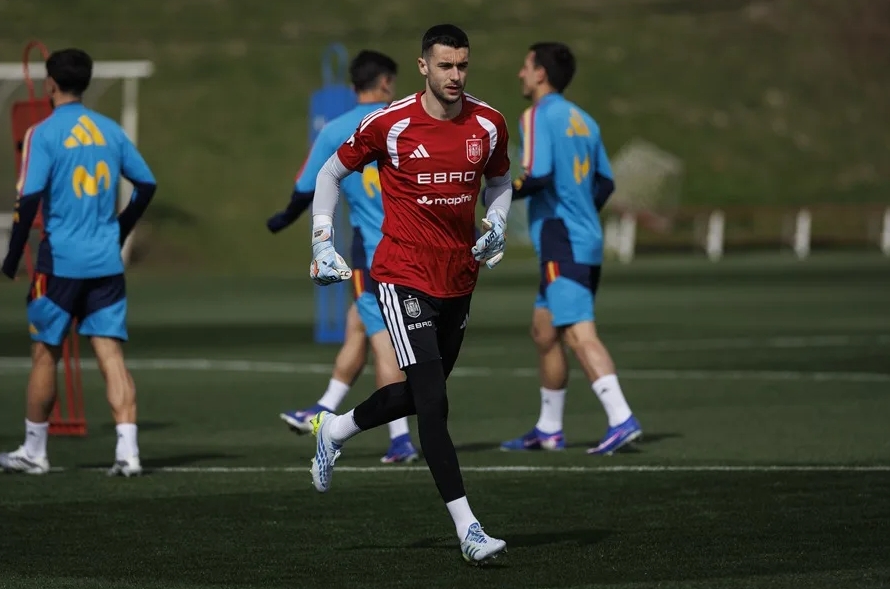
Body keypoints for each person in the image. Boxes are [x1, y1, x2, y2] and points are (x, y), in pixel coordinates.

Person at [305, 24, 512, 564]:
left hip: (459, 276)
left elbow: (500, 182)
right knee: (434, 404)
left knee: (424, 392)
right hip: (401, 273)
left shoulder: (488, 123)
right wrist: (322, 241)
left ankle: (336, 430)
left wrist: (497, 223)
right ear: (423, 66)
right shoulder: (389, 123)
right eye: (445, 65)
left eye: (462, 65)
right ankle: (469, 530)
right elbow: (329, 174)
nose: (455, 75)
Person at [0, 48, 157, 476]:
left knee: (45, 354)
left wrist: (11, 258)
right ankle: (128, 453)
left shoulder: (43, 133)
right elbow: (146, 184)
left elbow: (28, 200)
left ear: (50, 83)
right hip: (106, 262)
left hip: (60, 265)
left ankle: (34, 451)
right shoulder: (110, 130)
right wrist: (120, 229)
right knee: (110, 354)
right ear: (85, 83)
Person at [266, 50, 418, 465]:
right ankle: (323, 406)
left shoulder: (335, 129)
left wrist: (282, 220)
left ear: (354, 86)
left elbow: (307, 187)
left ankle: (400, 438)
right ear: (385, 82)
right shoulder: (406, 122)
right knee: (358, 326)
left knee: (383, 342)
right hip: (416, 249)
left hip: (375, 256)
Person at [500, 42, 643, 456]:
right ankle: (549, 429)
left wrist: (499, 193)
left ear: (540, 73)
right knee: (545, 331)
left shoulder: (537, 115)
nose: (521, 74)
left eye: (525, 66)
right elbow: (605, 183)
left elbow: (538, 175)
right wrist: (581, 213)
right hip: (582, 237)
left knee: (579, 333)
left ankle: (621, 418)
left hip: (562, 239)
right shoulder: (585, 119)